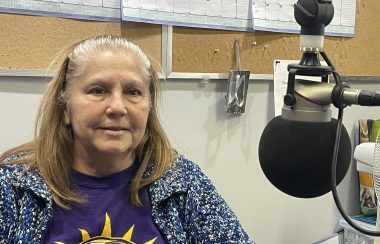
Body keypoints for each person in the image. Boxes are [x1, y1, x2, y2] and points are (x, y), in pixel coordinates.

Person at [0, 35, 253, 243]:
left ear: (149, 108)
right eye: (98, 90)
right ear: (65, 108)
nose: (118, 107)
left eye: (133, 92)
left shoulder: (183, 183)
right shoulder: (14, 187)